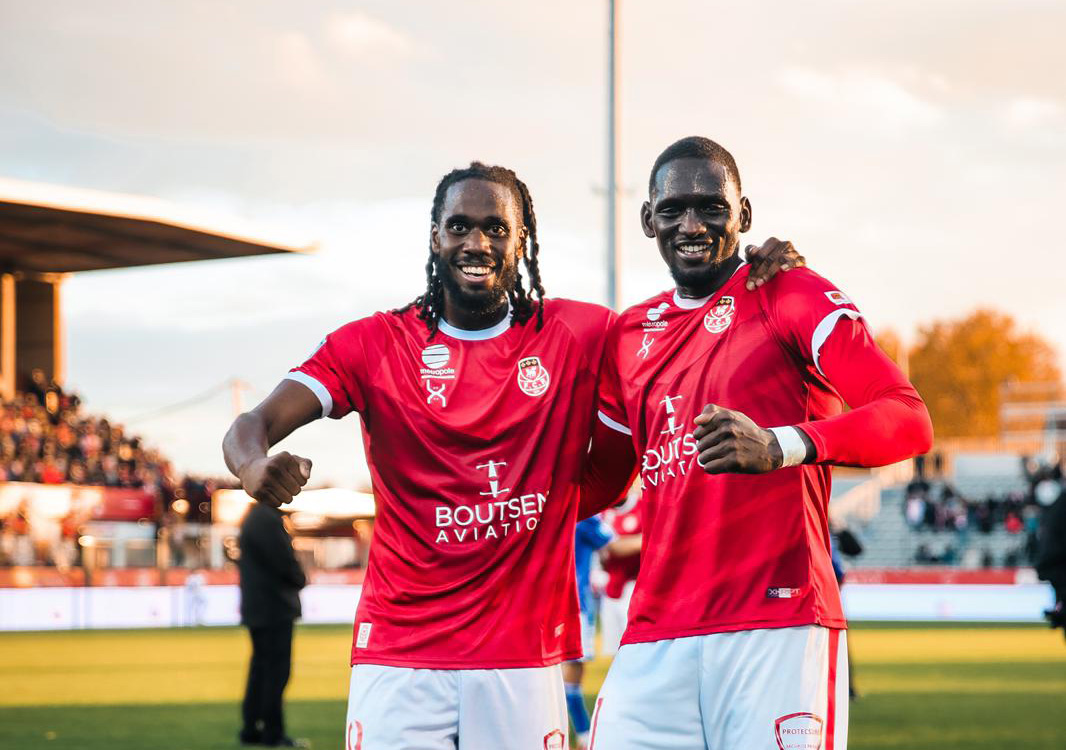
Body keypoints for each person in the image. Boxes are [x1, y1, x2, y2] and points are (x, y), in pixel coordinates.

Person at [222, 161, 801, 748]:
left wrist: (752, 273)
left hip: (523, 659)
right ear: (435, 236)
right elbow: (254, 423)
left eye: (497, 228)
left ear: (522, 239)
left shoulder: (579, 332)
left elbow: (689, 321)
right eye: (460, 226)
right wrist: (254, 467)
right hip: (399, 657)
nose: (477, 243)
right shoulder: (372, 343)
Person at [587, 137, 934, 749]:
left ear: (743, 213)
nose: (691, 225)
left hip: (777, 625)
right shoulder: (627, 335)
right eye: (672, 210)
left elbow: (908, 418)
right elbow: (601, 480)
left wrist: (779, 445)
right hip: (653, 636)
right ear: (648, 220)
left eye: (711, 207)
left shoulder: (789, 293)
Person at [564, 514, 642, 749]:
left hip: (550, 602)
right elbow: (614, 546)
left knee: (564, 675)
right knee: (570, 673)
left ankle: (581, 734)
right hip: (574, 604)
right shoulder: (583, 511)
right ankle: (584, 735)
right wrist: (660, 535)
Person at [237, 502, 307, 748]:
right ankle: (272, 732)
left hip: (259, 607)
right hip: (273, 607)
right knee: (275, 673)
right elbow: (284, 562)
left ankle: (251, 727)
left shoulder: (254, 517)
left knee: (260, 670)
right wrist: (300, 578)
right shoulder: (267, 520)